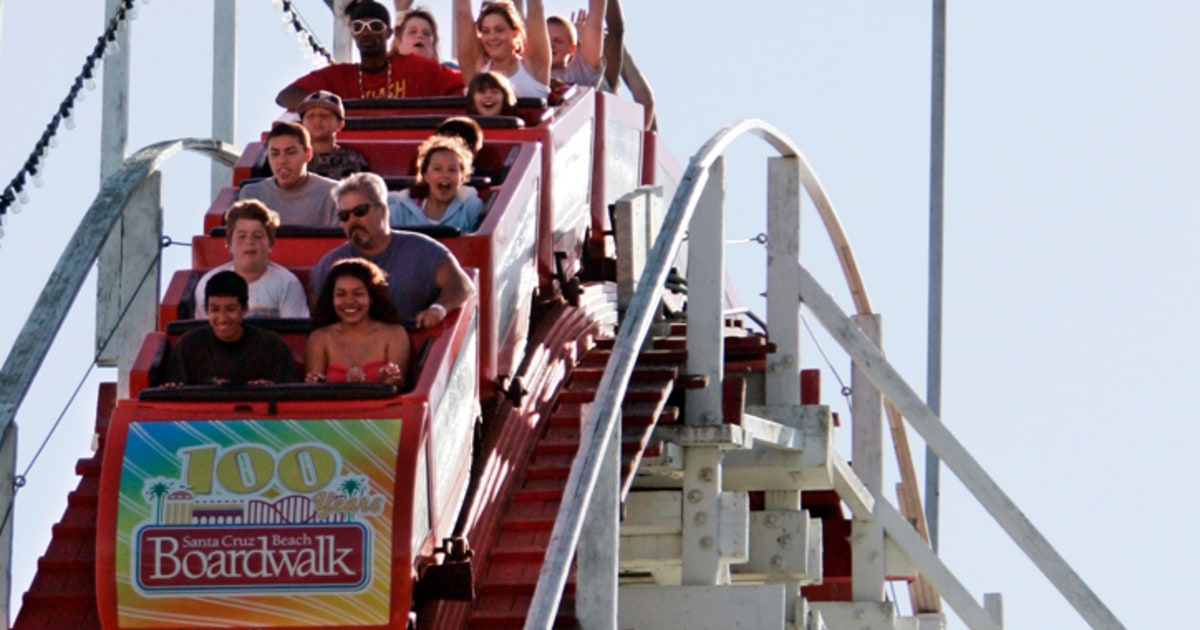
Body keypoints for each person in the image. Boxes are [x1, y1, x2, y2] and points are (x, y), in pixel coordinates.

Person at [310, 172, 475, 329]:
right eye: (344, 216)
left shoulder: (424, 250)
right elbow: (319, 319)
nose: (352, 220)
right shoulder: (329, 265)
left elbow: (462, 286)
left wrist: (438, 309)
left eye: (360, 212)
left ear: (383, 210)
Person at [276, 0, 463, 110]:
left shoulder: (414, 67)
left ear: (389, 33)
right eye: (359, 27)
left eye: (375, 26)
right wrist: (326, 108)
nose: (366, 32)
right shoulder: (340, 75)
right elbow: (286, 96)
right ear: (353, 33)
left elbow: (463, 87)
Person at [164, 271, 297, 386]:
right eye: (215, 309)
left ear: (244, 309)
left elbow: (290, 395)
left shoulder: (271, 345)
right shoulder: (188, 345)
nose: (222, 318)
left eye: (230, 309)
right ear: (206, 310)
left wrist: (266, 390)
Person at [193, 200, 310, 319]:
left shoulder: (288, 283)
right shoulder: (208, 283)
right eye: (242, 236)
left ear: (270, 244)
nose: (249, 242)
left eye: (257, 236)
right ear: (229, 244)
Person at [305, 258, 411, 385]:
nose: (349, 301)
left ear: (371, 296)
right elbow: (314, 390)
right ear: (331, 298)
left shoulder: (394, 334)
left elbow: (397, 386)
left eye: (358, 294)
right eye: (341, 294)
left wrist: (389, 379)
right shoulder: (320, 337)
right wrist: (315, 381)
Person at [239, 122, 339, 228]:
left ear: (308, 154)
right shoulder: (251, 194)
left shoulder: (334, 193)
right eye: (275, 153)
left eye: (291, 152)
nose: (282, 161)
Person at [454, 0, 550, 99]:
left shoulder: (534, 66)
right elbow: (462, 14)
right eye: (486, 31)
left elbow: (536, 10)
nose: (492, 37)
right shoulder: (475, 69)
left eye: (499, 30)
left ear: (515, 33)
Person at [389, 135, 484, 232]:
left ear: (462, 178)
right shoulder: (400, 208)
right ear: (425, 175)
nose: (445, 175)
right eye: (437, 169)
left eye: (452, 170)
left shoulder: (471, 207)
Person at [297, 90, 370, 179]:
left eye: (324, 116)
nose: (317, 120)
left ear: (340, 124)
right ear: (301, 124)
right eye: (311, 116)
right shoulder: (294, 160)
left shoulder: (353, 161)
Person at [548, 0, 606, 88]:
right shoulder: (527, 67)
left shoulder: (581, 70)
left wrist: (584, 37)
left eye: (558, 41)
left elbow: (596, 18)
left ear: (571, 49)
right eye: (546, 39)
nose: (551, 45)